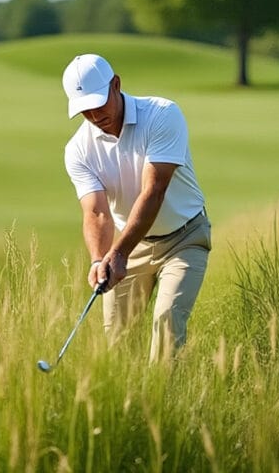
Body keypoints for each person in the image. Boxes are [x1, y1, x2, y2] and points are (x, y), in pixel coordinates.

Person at [62, 53, 211, 363]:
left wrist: (118, 252)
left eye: (98, 103)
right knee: (116, 342)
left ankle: (162, 406)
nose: (93, 115)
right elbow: (97, 212)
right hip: (131, 244)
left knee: (167, 322)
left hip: (184, 239)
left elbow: (153, 190)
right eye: (84, 110)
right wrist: (98, 259)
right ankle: (129, 409)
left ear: (116, 84)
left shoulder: (162, 114)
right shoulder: (78, 149)